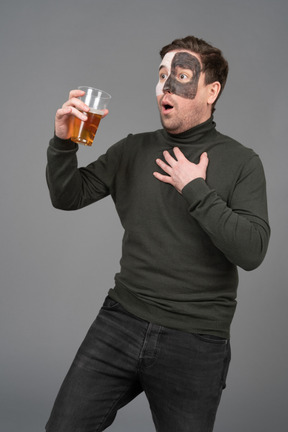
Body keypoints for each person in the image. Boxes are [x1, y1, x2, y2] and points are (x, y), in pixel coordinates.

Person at [45, 36, 270, 432]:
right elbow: (68, 196)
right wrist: (64, 142)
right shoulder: (132, 149)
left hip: (196, 339)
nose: (165, 88)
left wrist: (196, 189)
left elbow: (251, 251)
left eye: (181, 76)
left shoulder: (242, 162)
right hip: (120, 322)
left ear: (211, 91)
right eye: (162, 75)